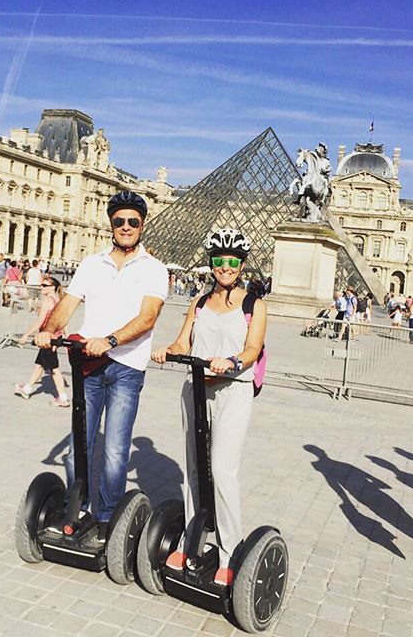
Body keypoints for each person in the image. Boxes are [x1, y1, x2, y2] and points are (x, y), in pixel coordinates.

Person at [34, 191, 168, 541]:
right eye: (119, 221)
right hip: (88, 365)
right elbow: (68, 304)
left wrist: (110, 340)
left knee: (114, 449)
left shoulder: (155, 269)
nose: (126, 227)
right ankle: (76, 508)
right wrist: (49, 330)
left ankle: (107, 518)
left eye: (133, 222)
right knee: (80, 443)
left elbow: (148, 317)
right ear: (111, 223)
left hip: (125, 367)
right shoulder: (92, 264)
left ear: (142, 225)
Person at [152, 228, 265, 587]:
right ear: (211, 263)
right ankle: (191, 542)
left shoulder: (254, 306)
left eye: (233, 261)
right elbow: (182, 339)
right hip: (196, 389)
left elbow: (252, 350)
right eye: (219, 260)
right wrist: (165, 350)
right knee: (193, 468)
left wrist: (231, 362)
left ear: (242, 265)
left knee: (222, 469)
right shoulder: (199, 303)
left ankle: (230, 552)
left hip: (234, 390)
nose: (225, 267)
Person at [14, 277, 69, 405]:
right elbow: (64, 323)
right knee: (40, 365)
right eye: (41, 285)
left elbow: (40, 322)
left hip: (47, 338)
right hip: (54, 337)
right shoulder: (58, 301)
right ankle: (27, 389)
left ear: (53, 287)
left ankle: (63, 398)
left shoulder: (47, 301)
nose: (42, 287)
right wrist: (65, 336)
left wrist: (26, 335)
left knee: (54, 369)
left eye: (45, 285)